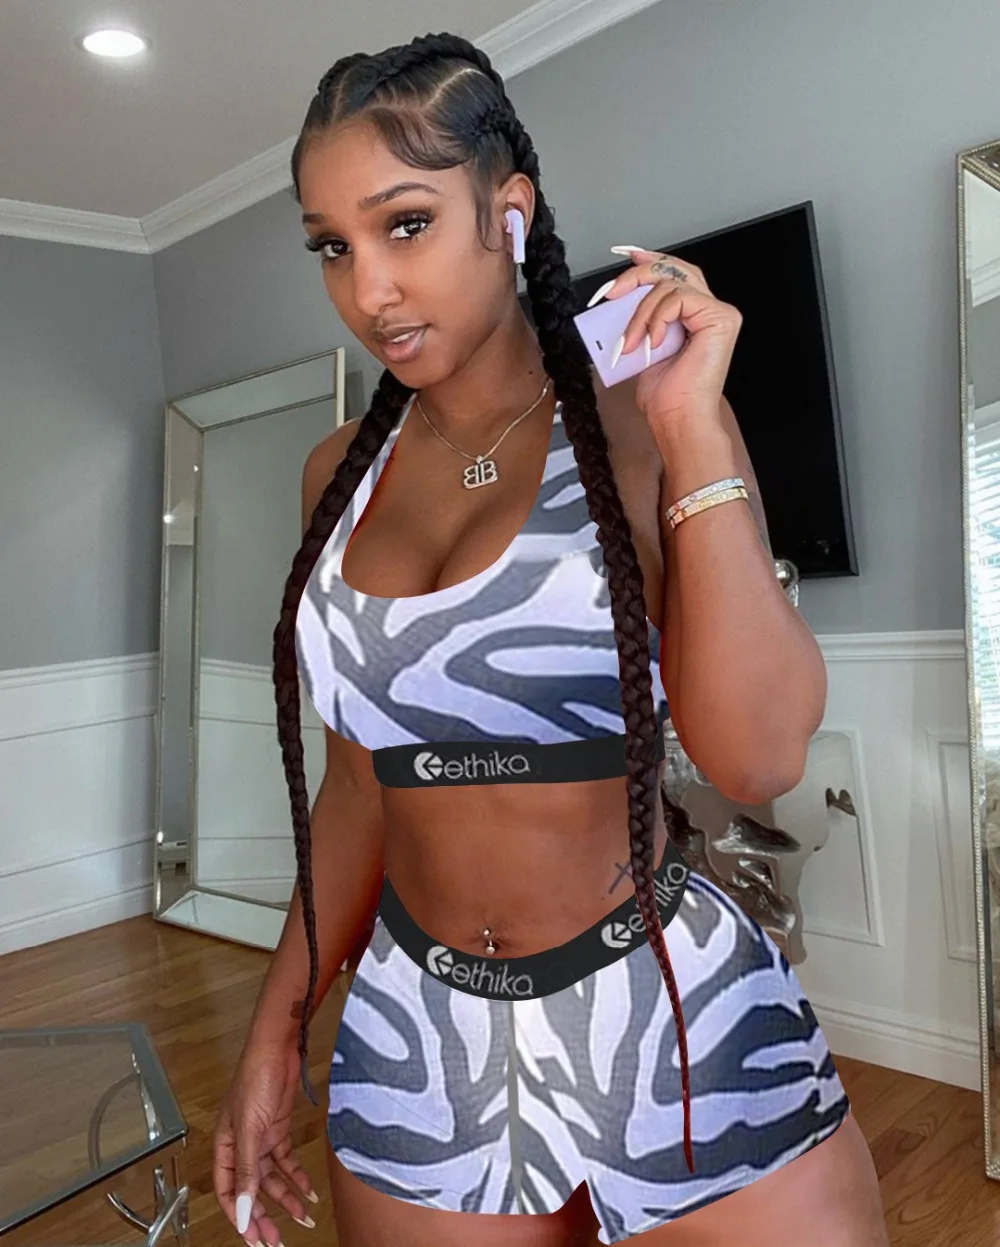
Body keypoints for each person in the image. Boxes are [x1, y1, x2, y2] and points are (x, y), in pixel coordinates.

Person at [212, 30, 888, 1247]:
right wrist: (276, 1029)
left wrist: (691, 426)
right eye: (332, 245)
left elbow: (757, 757)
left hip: (671, 1012)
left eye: (405, 224)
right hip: (419, 1035)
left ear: (507, 211)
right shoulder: (337, 473)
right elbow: (359, 783)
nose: (369, 289)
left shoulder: (642, 422)